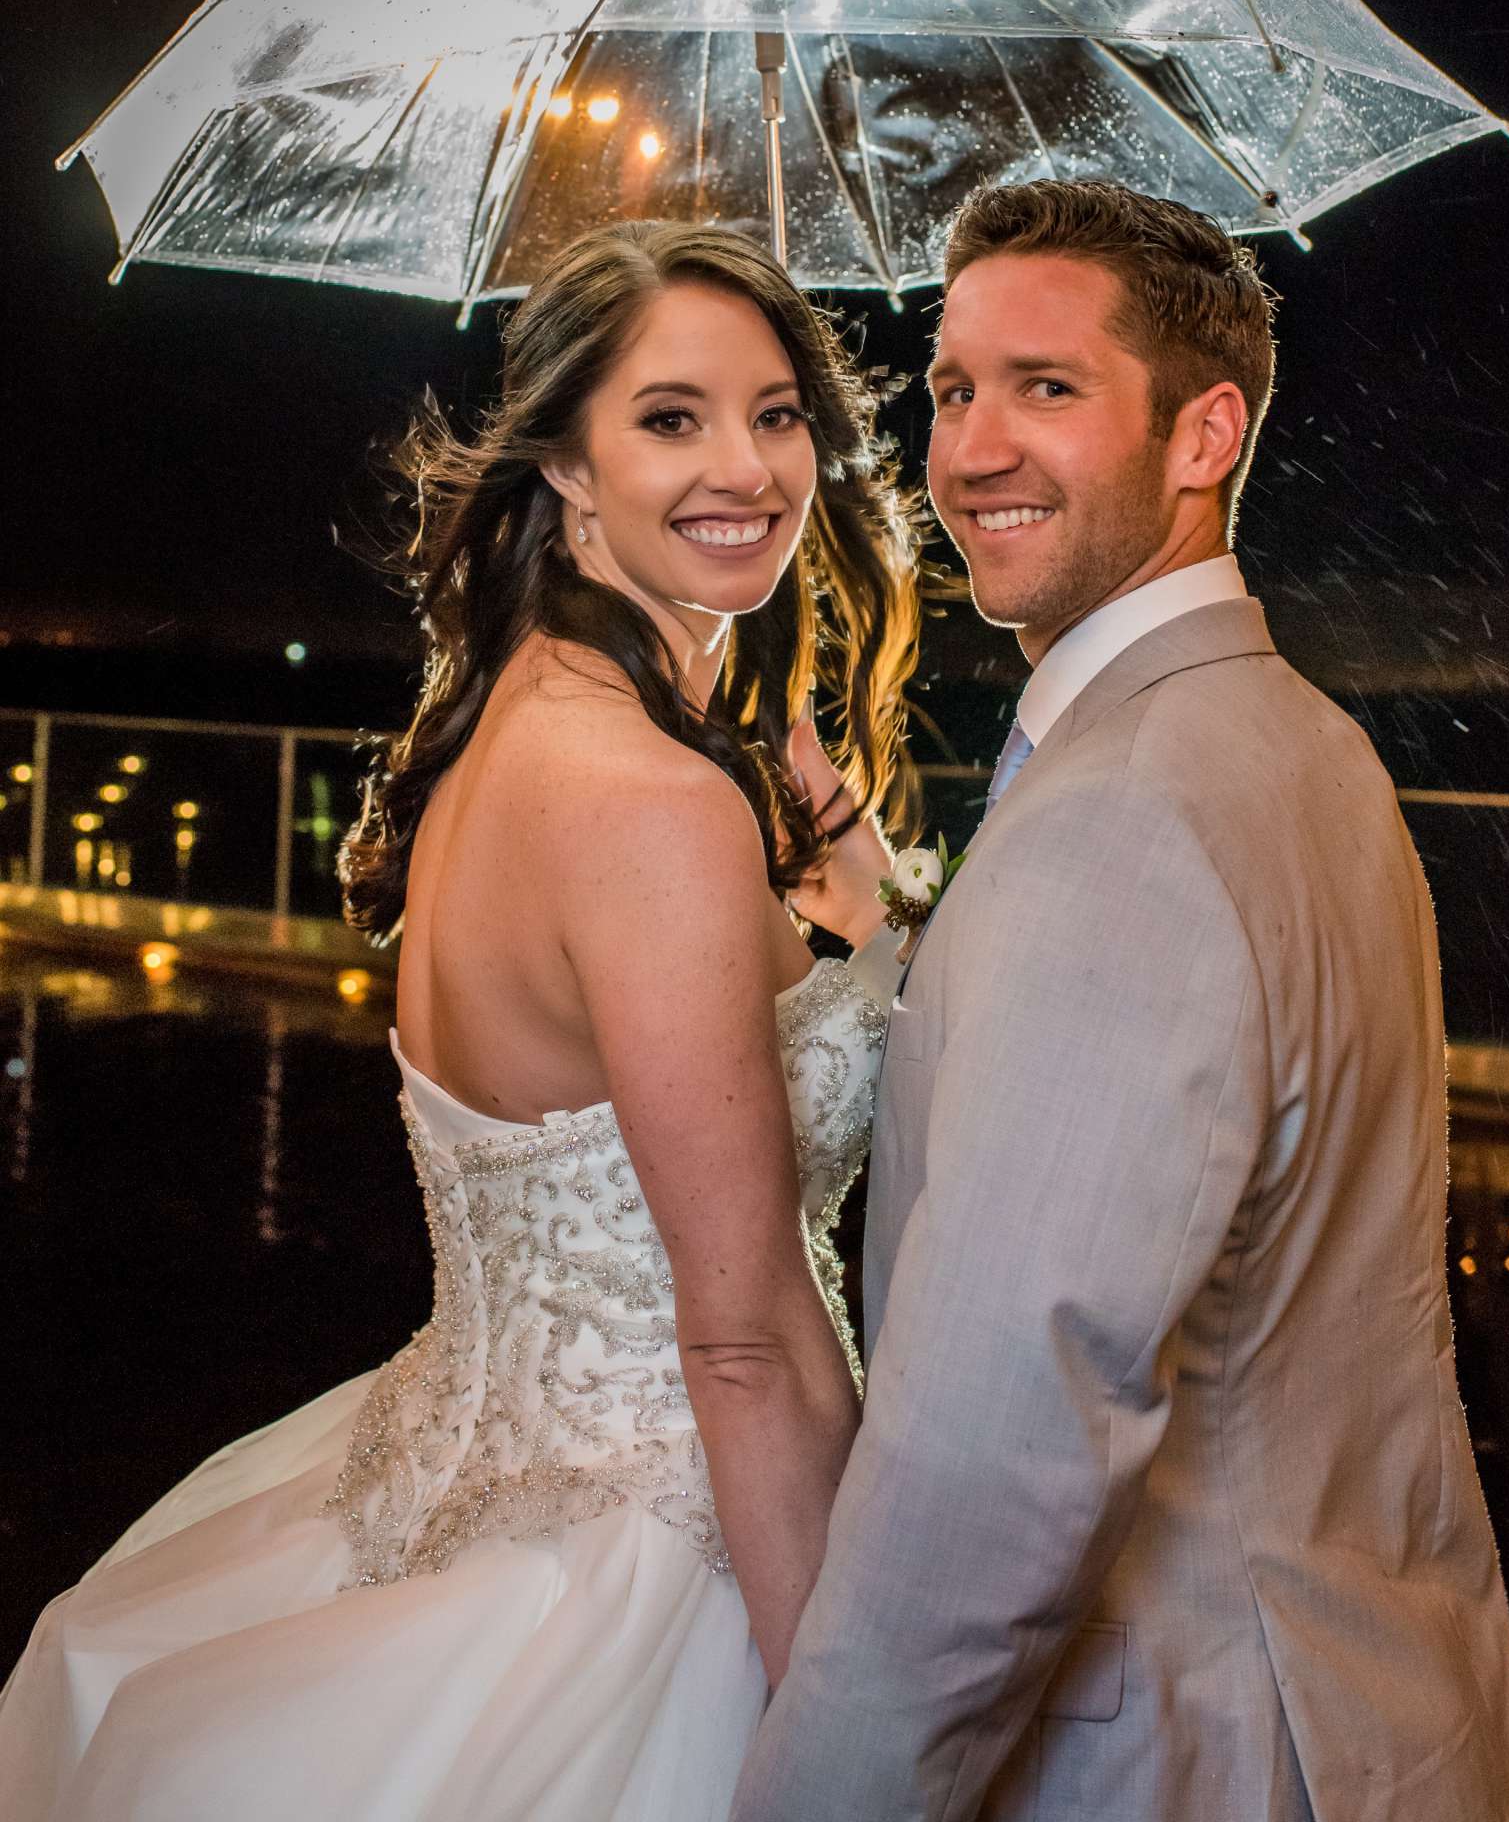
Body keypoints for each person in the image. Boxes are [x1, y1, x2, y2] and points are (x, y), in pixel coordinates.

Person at [0, 218, 920, 1822]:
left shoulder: (520, 725)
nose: (751, 467)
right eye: (671, 416)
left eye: (778, 412)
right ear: (563, 467)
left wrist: (820, 819)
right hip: (670, 1562)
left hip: (456, 1483)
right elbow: (746, 1340)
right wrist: (844, 1738)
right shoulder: (651, 804)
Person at [732, 179, 1509, 1822]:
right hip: (1385, 1713)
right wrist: (884, 913)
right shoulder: (1309, 749)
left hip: (1186, 1750)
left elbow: (999, 1458)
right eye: (953, 389)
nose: (968, 452)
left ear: (1202, 436)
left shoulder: (1119, 819)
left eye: (1048, 389)